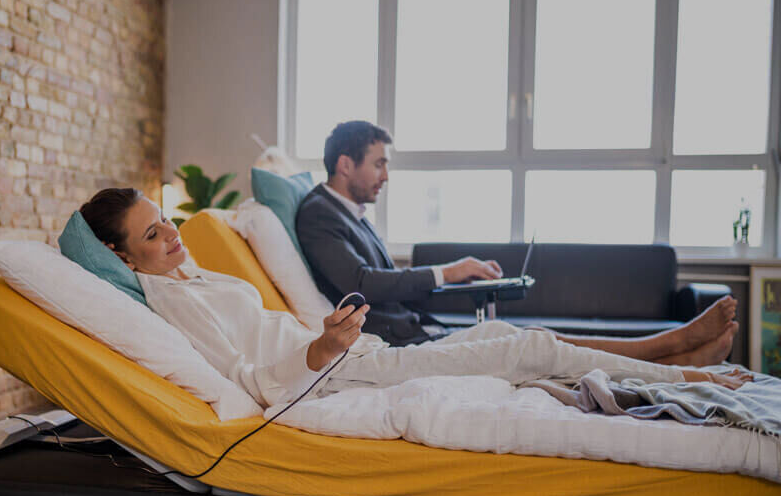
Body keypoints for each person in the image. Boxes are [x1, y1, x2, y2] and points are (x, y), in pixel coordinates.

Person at [78, 188, 751, 409]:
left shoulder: (196, 279)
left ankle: (671, 357)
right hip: (346, 374)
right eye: (152, 234)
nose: (171, 236)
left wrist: (332, 335)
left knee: (518, 348)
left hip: (356, 355)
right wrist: (320, 347)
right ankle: (692, 371)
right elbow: (248, 382)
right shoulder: (173, 306)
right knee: (527, 347)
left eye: (166, 222)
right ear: (119, 254)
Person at [295, 121, 740, 365]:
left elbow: (381, 279)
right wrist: (449, 271)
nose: (386, 176)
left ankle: (670, 358)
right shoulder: (318, 213)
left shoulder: (349, 214)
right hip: (398, 345)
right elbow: (362, 282)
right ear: (345, 164)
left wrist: (456, 275)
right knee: (533, 344)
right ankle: (668, 353)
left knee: (533, 339)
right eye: (379, 164)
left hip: (419, 331)